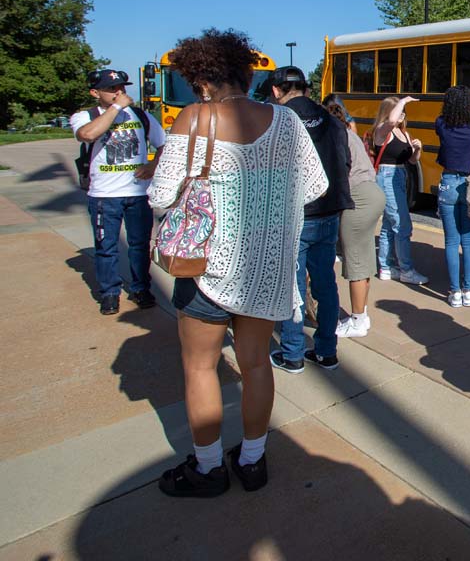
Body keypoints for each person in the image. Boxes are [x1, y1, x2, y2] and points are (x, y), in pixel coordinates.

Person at [149, 29, 327, 497]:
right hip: (267, 268)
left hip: (205, 267)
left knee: (200, 368)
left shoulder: (195, 117)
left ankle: (208, 469)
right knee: (255, 366)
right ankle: (252, 461)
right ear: (246, 74)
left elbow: (161, 195)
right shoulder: (286, 121)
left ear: (202, 81)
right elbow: (314, 186)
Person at [269, 66, 353, 373]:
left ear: (277, 91)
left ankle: (292, 353)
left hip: (296, 214)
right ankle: (326, 351)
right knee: (325, 284)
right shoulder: (332, 120)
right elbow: (346, 162)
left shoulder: (278, 122)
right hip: (330, 211)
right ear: (306, 88)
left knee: (292, 286)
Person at [71, 69, 166, 315]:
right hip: (104, 196)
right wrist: (115, 109)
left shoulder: (141, 116)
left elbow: (164, 144)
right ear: (95, 92)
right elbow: (88, 135)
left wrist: (153, 165)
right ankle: (110, 293)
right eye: (112, 89)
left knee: (139, 245)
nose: (119, 92)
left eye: (122, 87)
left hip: (137, 193)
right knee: (106, 247)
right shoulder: (86, 116)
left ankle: (141, 288)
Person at [322, 95, 386, 339]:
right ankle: (363, 315)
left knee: (355, 263)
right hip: (372, 193)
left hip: (357, 197)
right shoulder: (349, 133)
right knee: (365, 257)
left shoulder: (333, 137)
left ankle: (357, 320)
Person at [435, 85, 470, 307]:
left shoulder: (442, 124)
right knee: (468, 241)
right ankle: (468, 291)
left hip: (448, 183)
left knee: (450, 241)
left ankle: (454, 292)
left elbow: (440, 127)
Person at [369, 96, 429, 285]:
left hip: (401, 176)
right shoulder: (382, 130)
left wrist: (417, 149)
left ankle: (386, 267)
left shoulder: (403, 133)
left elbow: (412, 161)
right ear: (388, 113)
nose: (402, 115)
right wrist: (403, 101)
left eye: (404, 112)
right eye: (398, 111)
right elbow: (392, 120)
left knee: (389, 224)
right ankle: (406, 270)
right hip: (387, 177)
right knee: (403, 225)